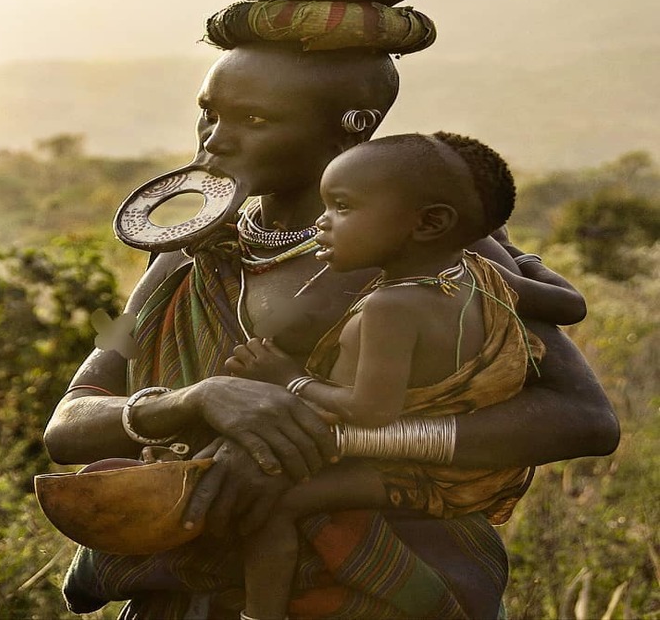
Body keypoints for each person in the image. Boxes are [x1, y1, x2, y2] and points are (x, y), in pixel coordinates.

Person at [42, 41, 619, 619]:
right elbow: (70, 422)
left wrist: (319, 447)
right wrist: (199, 399)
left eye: (256, 119)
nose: (215, 138)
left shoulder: (432, 256)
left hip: (381, 590)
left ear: (352, 129)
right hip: (186, 588)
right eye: (209, 112)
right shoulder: (180, 258)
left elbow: (583, 420)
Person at [223, 131, 584, 620]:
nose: (320, 223)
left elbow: (372, 412)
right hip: (468, 465)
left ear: (430, 223)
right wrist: (520, 256)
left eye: (342, 208)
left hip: (420, 470)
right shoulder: (478, 272)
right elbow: (571, 304)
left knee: (274, 504)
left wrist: (288, 376)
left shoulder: (390, 308)